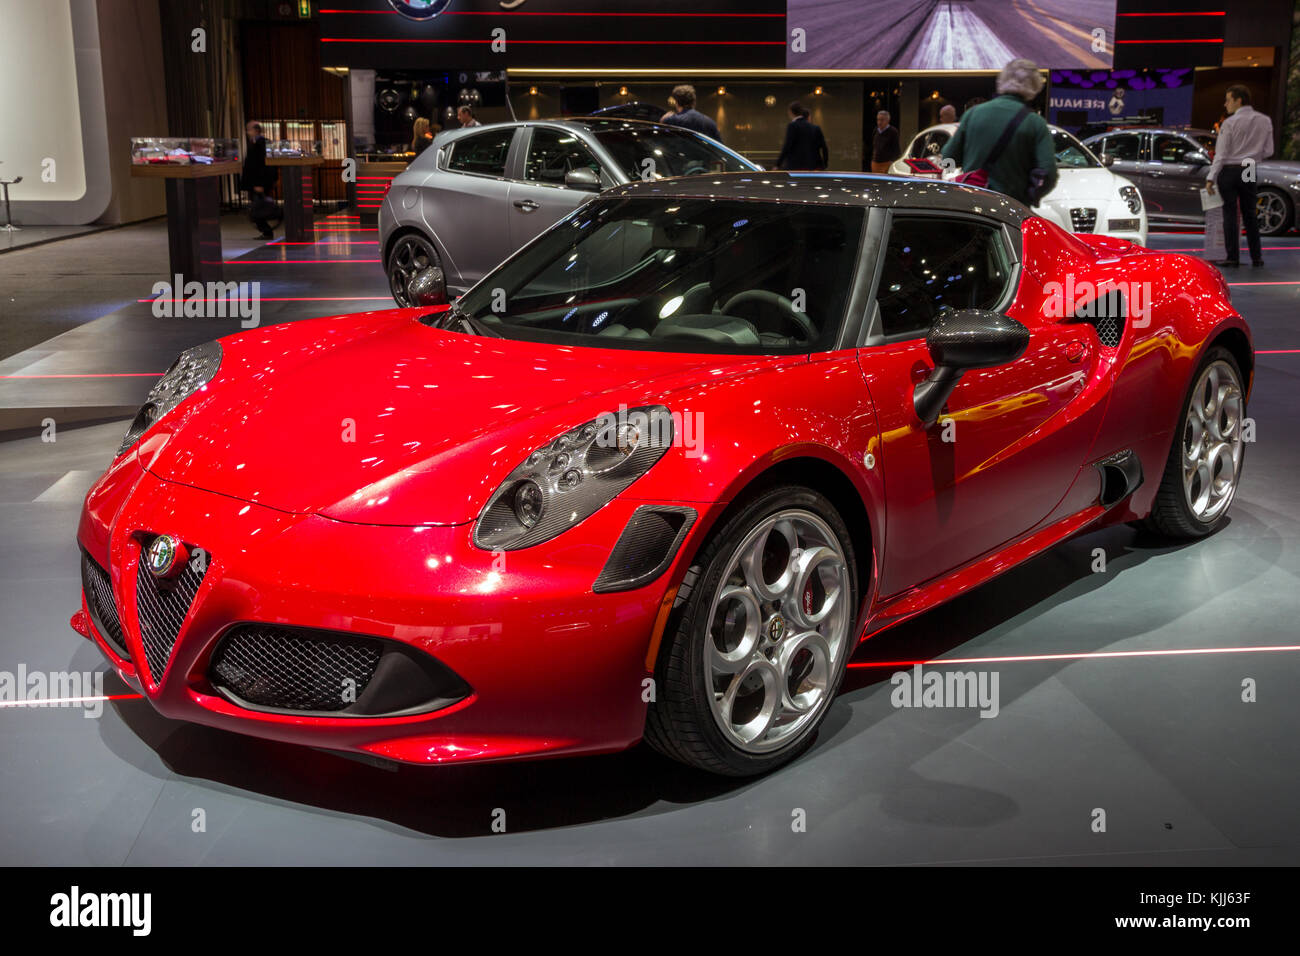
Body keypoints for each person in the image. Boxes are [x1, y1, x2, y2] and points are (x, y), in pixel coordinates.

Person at [941, 58, 1058, 207]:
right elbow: (1048, 173)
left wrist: (955, 179)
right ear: (1035, 86)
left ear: (1002, 81)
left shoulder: (973, 114)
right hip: (1012, 211)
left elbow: (948, 157)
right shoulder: (1036, 123)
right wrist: (1029, 198)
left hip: (974, 206)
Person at [1207, 84, 1273, 269]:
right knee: (1250, 213)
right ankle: (1256, 257)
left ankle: (1232, 258)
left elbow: (1221, 154)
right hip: (1249, 166)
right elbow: (1269, 150)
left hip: (1230, 168)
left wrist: (1211, 177)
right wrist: (1251, 155)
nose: (1225, 104)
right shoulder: (1264, 120)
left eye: (1228, 100)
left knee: (1230, 214)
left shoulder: (1229, 123)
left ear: (1238, 100)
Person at [240, 121, 277, 240]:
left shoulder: (261, 143)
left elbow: (263, 165)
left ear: (256, 130)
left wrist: (260, 183)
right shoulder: (255, 142)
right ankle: (266, 231)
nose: (247, 132)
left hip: (259, 182)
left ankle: (267, 231)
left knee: (258, 208)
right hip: (256, 182)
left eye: (249, 129)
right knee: (257, 207)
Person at [775, 102, 828, 171]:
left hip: (796, 165)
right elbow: (824, 148)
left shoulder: (793, 126)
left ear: (790, 112)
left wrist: (778, 164)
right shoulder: (815, 128)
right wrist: (824, 164)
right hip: (813, 165)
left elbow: (787, 146)